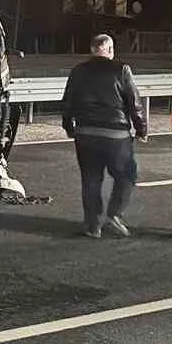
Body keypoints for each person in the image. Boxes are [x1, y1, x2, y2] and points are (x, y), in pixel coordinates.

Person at [61, 33, 148, 238]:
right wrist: (141, 129)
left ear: (92, 50)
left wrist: (69, 127)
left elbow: (67, 102)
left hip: (85, 133)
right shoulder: (121, 69)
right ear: (109, 49)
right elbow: (134, 103)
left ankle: (93, 225)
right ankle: (114, 214)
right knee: (126, 175)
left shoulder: (78, 71)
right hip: (115, 134)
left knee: (91, 179)